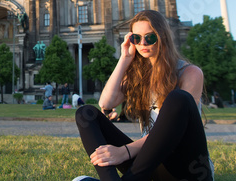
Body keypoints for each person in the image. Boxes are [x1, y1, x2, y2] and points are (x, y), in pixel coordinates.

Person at [74, 10, 214, 181]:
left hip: (187, 168)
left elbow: (170, 133)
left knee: (178, 98)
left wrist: (124, 151)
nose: (142, 43)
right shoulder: (138, 74)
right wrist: (124, 58)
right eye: (136, 38)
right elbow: (106, 103)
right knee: (86, 114)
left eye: (150, 37)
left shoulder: (189, 73)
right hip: (149, 165)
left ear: (162, 36)